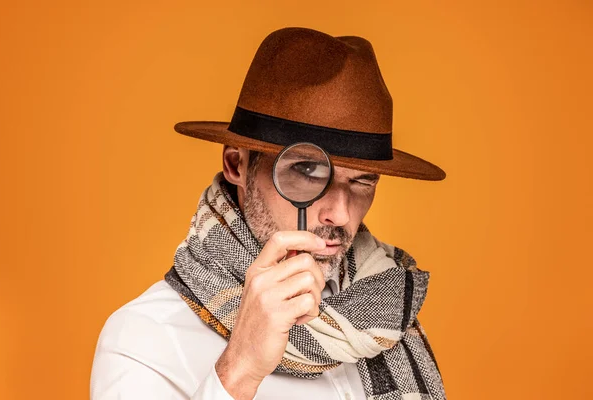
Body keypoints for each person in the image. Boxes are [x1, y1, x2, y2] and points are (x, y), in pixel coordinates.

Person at [91, 27, 447, 400]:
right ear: (236, 164)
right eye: (308, 171)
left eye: (363, 181)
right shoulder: (145, 338)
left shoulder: (385, 308)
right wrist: (239, 368)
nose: (341, 215)